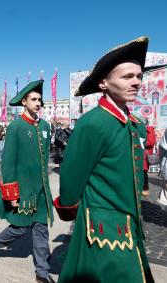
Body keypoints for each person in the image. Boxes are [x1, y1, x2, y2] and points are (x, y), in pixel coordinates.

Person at [54, 37, 154, 283]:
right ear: (103, 83)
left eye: (139, 76)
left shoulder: (133, 123)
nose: (136, 82)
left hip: (130, 224)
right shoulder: (93, 123)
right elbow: (71, 177)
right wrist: (71, 208)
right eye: (127, 76)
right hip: (105, 230)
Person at [0, 80, 54, 283]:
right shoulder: (16, 126)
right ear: (24, 102)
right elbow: (8, 163)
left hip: (41, 190)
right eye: (33, 99)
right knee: (21, 228)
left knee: (41, 230)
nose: (38, 103)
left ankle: (42, 272)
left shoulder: (44, 126)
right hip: (23, 190)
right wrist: (11, 194)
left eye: (40, 100)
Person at [143, 118, 156, 197]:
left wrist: (140, 141)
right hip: (139, 153)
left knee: (143, 172)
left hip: (145, 154)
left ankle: (145, 188)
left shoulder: (150, 130)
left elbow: (151, 142)